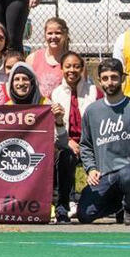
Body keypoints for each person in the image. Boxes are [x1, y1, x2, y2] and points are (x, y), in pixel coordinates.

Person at [77, 58, 130, 224]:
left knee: (128, 174)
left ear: (122, 78)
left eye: (114, 77)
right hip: (106, 177)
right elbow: (85, 145)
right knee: (85, 214)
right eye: (105, 78)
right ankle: (119, 205)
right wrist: (91, 168)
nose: (110, 82)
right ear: (99, 81)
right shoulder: (92, 111)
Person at [48, 50, 96, 222]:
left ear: (82, 68)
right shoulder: (56, 93)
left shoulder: (93, 91)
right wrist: (68, 141)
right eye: (68, 66)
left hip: (91, 144)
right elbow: (55, 127)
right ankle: (63, 206)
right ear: (61, 69)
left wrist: (84, 145)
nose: (72, 70)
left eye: (76, 66)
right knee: (64, 155)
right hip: (66, 141)